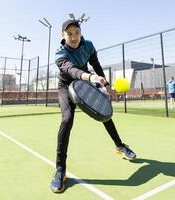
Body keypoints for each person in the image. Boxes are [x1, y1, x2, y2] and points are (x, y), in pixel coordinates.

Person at [50, 19, 136, 193]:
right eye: (69, 34)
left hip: (87, 82)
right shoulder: (60, 54)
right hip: (67, 86)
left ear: (80, 33)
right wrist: (91, 78)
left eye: (76, 33)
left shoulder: (88, 45)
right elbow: (71, 70)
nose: (73, 37)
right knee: (67, 120)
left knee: (104, 111)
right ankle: (60, 169)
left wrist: (107, 87)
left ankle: (120, 145)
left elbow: (96, 64)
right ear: (63, 35)